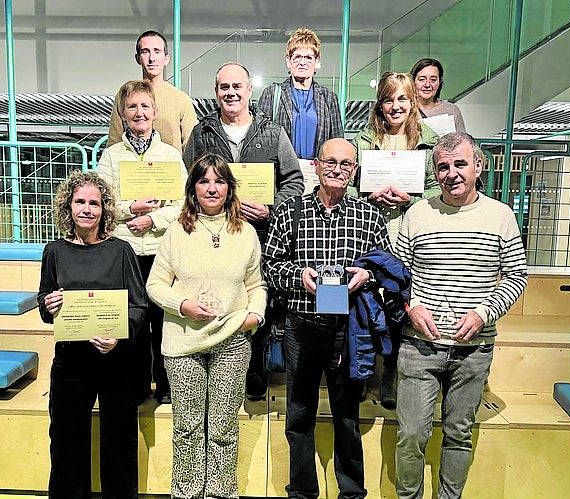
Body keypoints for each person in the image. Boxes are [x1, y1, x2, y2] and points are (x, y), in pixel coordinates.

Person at [394, 132, 527, 499]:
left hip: (474, 349)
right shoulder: (417, 214)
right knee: (411, 435)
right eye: (443, 166)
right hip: (419, 346)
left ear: (478, 166)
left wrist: (485, 313)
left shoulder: (501, 216)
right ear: (434, 172)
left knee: (458, 434)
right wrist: (410, 306)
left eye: (460, 164)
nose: (452, 173)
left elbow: (516, 276)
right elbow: (397, 276)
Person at [263, 138, 392, 499]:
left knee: (348, 418)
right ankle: (302, 492)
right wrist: (299, 276)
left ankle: (351, 493)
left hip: (348, 332)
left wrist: (367, 276)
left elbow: (388, 268)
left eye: (346, 164)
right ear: (316, 165)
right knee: (299, 414)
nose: (337, 169)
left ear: (354, 170)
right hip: (301, 327)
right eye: (330, 162)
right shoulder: (291, 210)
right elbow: (270, 266)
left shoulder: (369, 215)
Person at [146, 153, 267, 499]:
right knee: (187, 427)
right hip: (183, 345)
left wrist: (253, 317)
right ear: (192, 188)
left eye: (219, 181)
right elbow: (154, 285)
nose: (211, 188)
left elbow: (256, 285)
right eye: (203, 181)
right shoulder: (176, 231)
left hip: (232, 341)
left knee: (223, 427)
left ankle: (219, 493)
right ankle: (186, 493)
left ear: (230, 189)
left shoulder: (245, 232)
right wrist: (181, 305)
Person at [183, 61, 304, 400]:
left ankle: (255, 368)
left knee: (256, 297)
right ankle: (214, 364)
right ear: (216, 92)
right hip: (213, 233)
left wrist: (272, 208)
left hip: (260, 233)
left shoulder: (272, 131)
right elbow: (186, 180)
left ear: (249, 91)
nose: (231, 93)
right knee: (218, 295)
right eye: (224, 87)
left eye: (238, 86)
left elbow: (294, 179)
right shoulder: (202, 133)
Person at [37, 170, 148, 499]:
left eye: (94, 203)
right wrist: (50, 303)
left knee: (118, 446)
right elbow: (44, 309)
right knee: (67, 447)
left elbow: (139, 306)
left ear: (105, 209)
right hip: (70, 363)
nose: (86, 209)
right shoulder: (54, 251)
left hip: (115, 362)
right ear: (68, 207)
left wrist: (119, 335)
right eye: (79, 202)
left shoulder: (121, 250)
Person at [354, 70, 440, 409]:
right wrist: (367, 197)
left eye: (402, 98)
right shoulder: (363, 140)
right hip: (371, 233)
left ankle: (391, 374)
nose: (395, 106)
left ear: (413, 101)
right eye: (388, 99)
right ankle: (361, 373)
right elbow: (344, 182)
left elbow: (439, 189)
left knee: (398, 306)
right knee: (363, 304)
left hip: (409, 235)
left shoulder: (430, 142)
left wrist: (410, 200)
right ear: (380, 104)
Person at [97, 79, 187, 405]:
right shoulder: (110, 158)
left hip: (162, 252)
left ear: (154, 111)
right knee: (132, 323)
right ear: (122, 113)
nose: (139, 112)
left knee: (164, 323)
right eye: (132, 106)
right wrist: (129, 210)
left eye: (145, 106)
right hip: (126, 252)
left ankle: (166, 387)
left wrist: (152, 219)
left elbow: (182, 205)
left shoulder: (170, 156)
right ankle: (134, 387)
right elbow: (102, 204)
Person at [256, 27, 344, 160]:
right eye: (297, 57)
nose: (302, 62)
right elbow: (260, 140)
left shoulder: (328, 98)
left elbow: (338, 144)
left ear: (316, 61)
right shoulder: (272, 94)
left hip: (318, 176)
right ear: (288, 61)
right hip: (282, 176)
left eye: (308, 57)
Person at [107, 30, 198, 152]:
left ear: (166, 59)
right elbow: (114, 142)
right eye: (145, 52)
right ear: (138, 58)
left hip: (171, 170)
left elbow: (191, 146)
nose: (152, 58)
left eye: (157, 51)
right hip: (132, 169)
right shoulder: (125, 95)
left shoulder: (181, 99)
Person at [410, 58, 466, 133]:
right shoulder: (405, 110)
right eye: (422, 79)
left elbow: (462, 142)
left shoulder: (452, 110)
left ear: (439, 83)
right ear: (413, 81)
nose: (427, 85)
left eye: (433, 80)